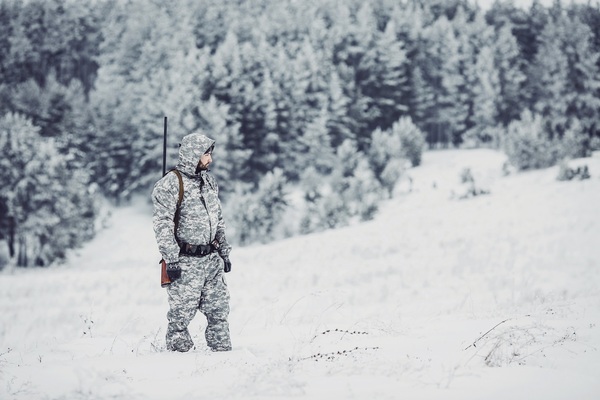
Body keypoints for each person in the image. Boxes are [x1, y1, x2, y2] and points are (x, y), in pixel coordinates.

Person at [152, 132, 233, 352]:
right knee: (180, 316)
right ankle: (180, 365)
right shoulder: (170, 184)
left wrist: (224, 252)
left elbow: (218, 220)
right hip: (185, 263)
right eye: (207, 154)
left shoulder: (208, 182)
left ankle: (224, 358)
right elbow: (162, 225)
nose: (210, 160)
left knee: (219, 311)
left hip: (212, 261)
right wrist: (172, 260)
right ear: (193, 154)